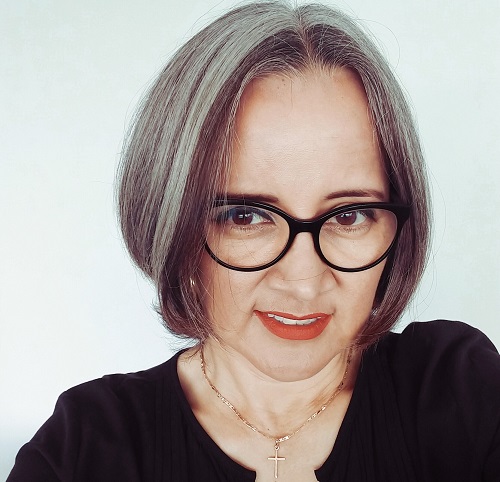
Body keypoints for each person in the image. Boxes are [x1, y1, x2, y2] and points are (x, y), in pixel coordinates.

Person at [8, 1, 500, 481]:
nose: (304, 282)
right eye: (246, 216)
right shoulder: (83, 449)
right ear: (171, 220)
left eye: (349, 215)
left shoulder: (462, 393)